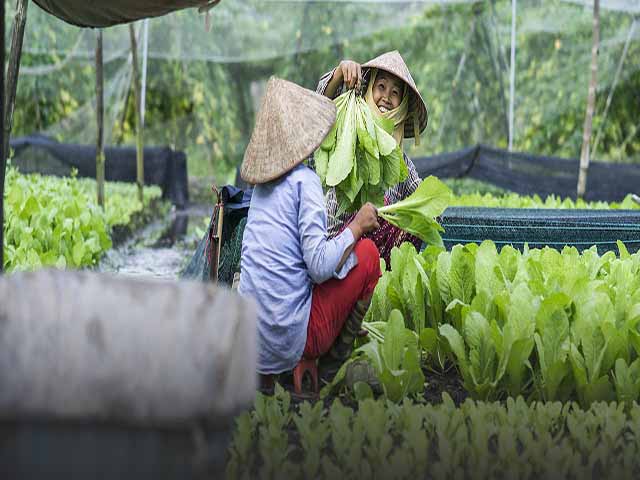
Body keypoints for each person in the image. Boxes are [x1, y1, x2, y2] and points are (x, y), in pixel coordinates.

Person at [237, 77, 382, 392]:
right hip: (290, 339)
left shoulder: (261, 187)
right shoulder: (305, 181)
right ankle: (331, 365)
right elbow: (317, 268)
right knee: (368, 255)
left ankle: (268, 375)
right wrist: (357, 226)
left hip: (250, 340)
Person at [316, 50, 429, 265]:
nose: (386, 97)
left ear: (403, 104)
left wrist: (415, 215)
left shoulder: (400, 162)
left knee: (402, 215)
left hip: (373, 262)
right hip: (331, 249)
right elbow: (319, 108)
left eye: (395, 92)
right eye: (381, 87)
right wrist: (341, 72)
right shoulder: (347, 128)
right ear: (369, 89)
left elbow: (425, 200)